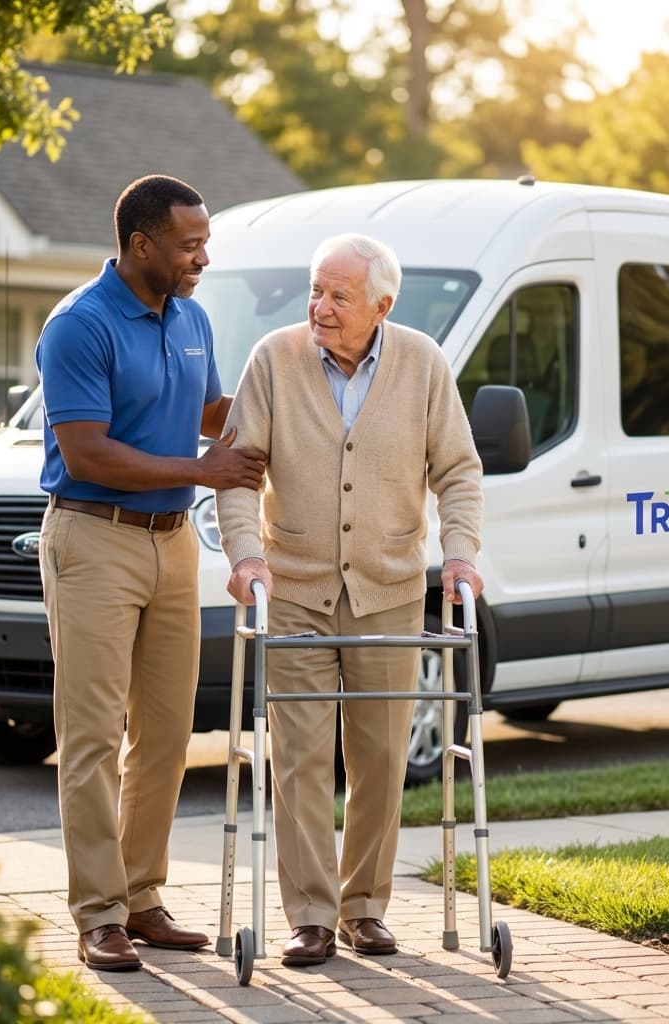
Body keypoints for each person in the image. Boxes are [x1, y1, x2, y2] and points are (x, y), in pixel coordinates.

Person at [216, 233, 484, 967]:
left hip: (391, 590)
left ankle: (365, 907)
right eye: (315, 290)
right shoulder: (274, 358)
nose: (319, 307)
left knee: (379, 756)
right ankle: (311, 915)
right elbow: (239, 471)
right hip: (294, 589)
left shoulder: (423, 363)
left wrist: (460, 551)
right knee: (299, 757)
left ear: (381, 305)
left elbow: (458, 469)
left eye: (338, 295)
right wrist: (246, 557)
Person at [36, 174, 265, 972]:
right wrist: (207, 473)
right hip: (93, 539)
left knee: (166, 733)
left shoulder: (192, 316)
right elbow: (87, 450)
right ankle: (97, 913)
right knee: (93, 735)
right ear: (141, 246)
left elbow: (209, 412)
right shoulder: (80, 325)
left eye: (204, 240)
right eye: (189, 243)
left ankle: (141, 897)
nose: (204, 256)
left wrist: (289, 405)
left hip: (173, 546)